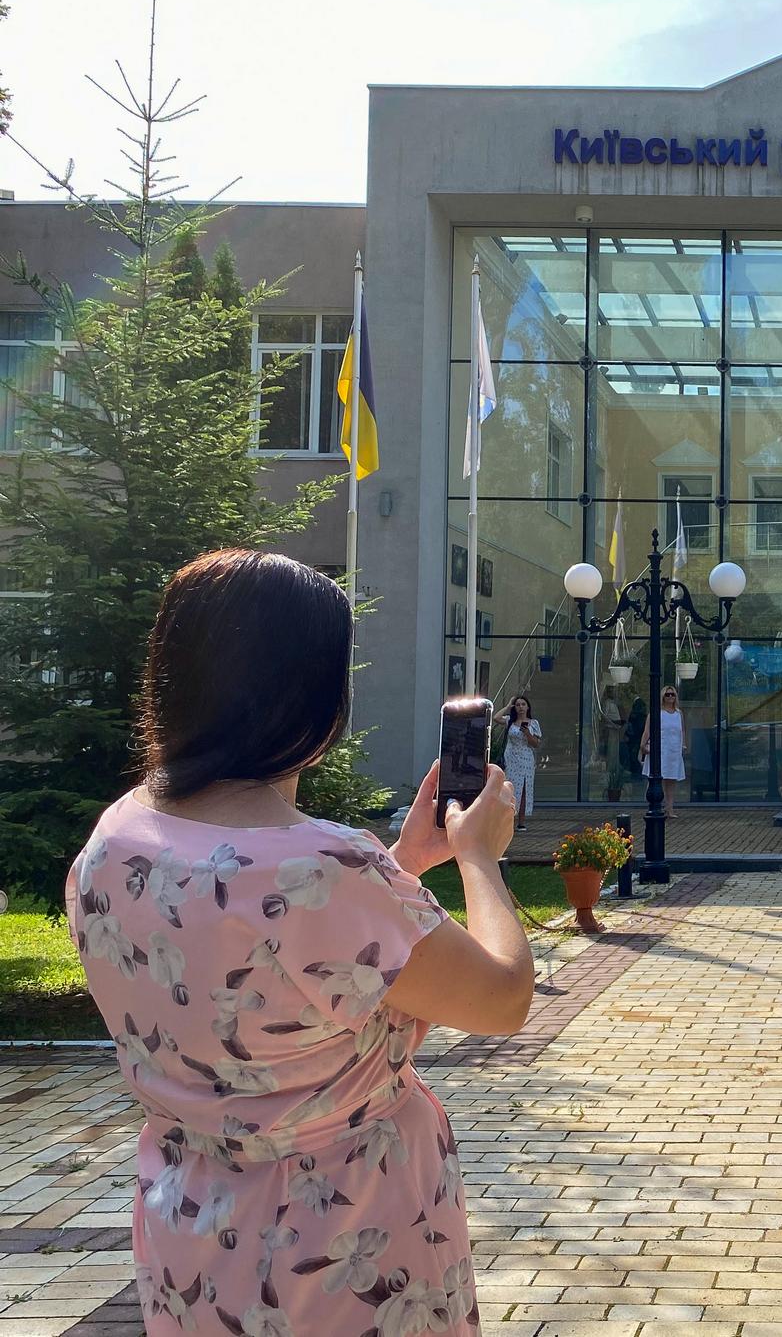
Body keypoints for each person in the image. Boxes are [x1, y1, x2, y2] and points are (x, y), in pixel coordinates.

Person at [66, 549, 534, 1337]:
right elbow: (504, 997)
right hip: (343, 1242)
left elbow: (269, 964)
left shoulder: (120, 835)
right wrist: (478, 858)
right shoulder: (324, 868)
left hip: (194, 1230)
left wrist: (403, 865)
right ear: (314, 698)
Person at [641, 685, 688, 815]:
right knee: (657, 779)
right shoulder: (656, 713)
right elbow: (647, 731)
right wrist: (642, 745)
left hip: (674, 751)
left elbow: (682, 730)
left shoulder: (679, 713)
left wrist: (683, 744)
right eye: (667, 694)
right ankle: (655, 806)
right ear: (663, 697)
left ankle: (670, 808)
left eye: (673, 694)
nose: (670, 697)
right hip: (660, 750)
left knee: (671, 780)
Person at [500, 694, 542, 830]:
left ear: (528, 707)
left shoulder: (533, 723)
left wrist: (527, 733)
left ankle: (521, 822)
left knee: (524, 788)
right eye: (518, 705)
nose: (521, 707)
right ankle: (508, 821)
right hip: (511, 758)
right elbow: (496, 718)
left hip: (526, 759)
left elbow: (536, 744)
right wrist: (508, 706)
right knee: (510, 788)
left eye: (523, 704)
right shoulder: (510, 721)